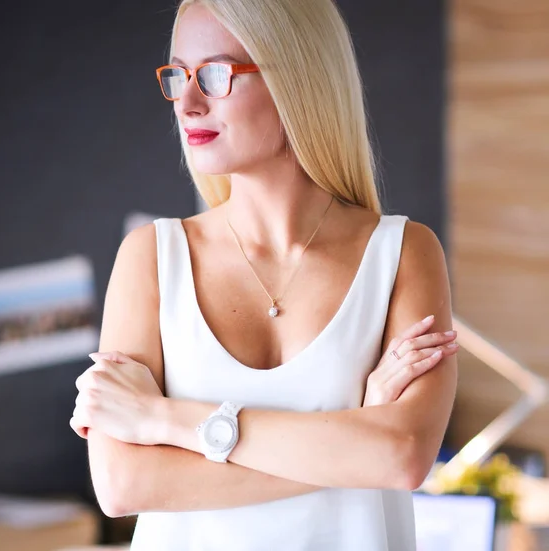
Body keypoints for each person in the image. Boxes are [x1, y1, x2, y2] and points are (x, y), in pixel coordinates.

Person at [70, 0, 459, 549]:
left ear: (300, 81)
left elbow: (401, 458)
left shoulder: (405, 252)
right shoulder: (149, 258)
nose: (188, 101)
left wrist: (164, 421)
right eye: (178, 74)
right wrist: (353, 436)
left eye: (215, 74)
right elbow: (123, 484)